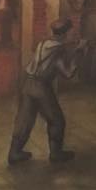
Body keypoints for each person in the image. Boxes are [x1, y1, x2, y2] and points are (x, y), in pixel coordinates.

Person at [8, 18, 78, 166]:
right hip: (41, 87)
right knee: (57, 121)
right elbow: (68, 74)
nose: (73, 33)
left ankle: (14, 153)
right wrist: (78, 55)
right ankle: (56, 154)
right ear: (66, 32)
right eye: (71, 31)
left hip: (27, 83)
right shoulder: (58, 50)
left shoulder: (44, 43)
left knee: (24, 120)